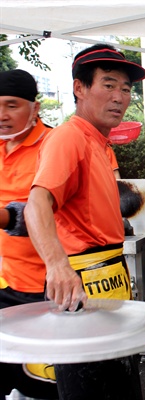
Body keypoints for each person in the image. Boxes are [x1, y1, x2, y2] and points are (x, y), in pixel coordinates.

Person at [24, 43, 145, 398]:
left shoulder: (100, 143)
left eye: (125, 88)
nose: (120, 97)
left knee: (121, 387)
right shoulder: (69, 137)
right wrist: (56, 265)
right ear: (80, 88)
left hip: (109, 284)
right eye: (108, 85)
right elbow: (37, 203)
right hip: (80, 291)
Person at [0, 69, 58, 399]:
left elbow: (42, 214)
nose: (2, 116)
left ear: (34, 108)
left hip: (48, 290)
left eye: (11, 105)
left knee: (44, 384)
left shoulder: (52, 146)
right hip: (8, 282)